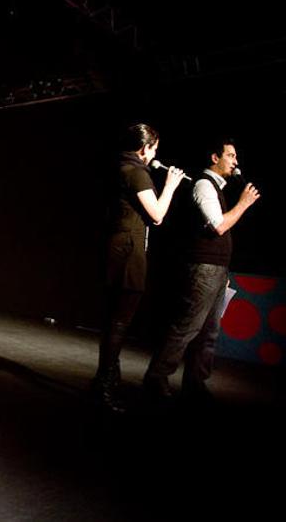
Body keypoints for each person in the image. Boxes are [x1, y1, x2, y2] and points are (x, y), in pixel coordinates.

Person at [143, 138, 260, 402]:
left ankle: (195, 383)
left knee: (209, 333)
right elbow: (218, 225)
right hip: (204, 269)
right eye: (230, 156)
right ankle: (156, 377)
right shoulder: (204, 185)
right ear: (215, 158)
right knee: (188, 326)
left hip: (217, 270)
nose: (235, 162)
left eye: (235, 156)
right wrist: (243, 204)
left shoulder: (217, 188)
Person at [91, 123, 184, 412]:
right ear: (145, 148)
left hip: (115, 247)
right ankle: (105, 386)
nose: (155, 154)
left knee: (113, 320)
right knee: (119, 321)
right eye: (154, 149)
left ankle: (105, 381)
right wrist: (170, 186)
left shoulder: (119, 167)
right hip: (128, 251)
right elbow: (156, 215)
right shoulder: (136, 172)